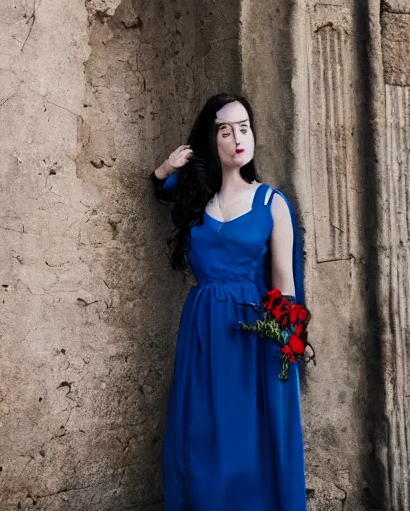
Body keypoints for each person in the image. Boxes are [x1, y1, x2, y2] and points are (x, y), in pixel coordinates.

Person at [151, 92, 307, 511]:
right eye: (225, 130)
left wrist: (289, 341)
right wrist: (168, 167)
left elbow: (283, 282)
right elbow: (160, 187)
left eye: (244, 127)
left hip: (252, 335)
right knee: (198, 438)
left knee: (246, 443)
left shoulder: (272, 204)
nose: (237, 137)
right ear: (211, 140)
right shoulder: (198, 201)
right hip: (202, 332)